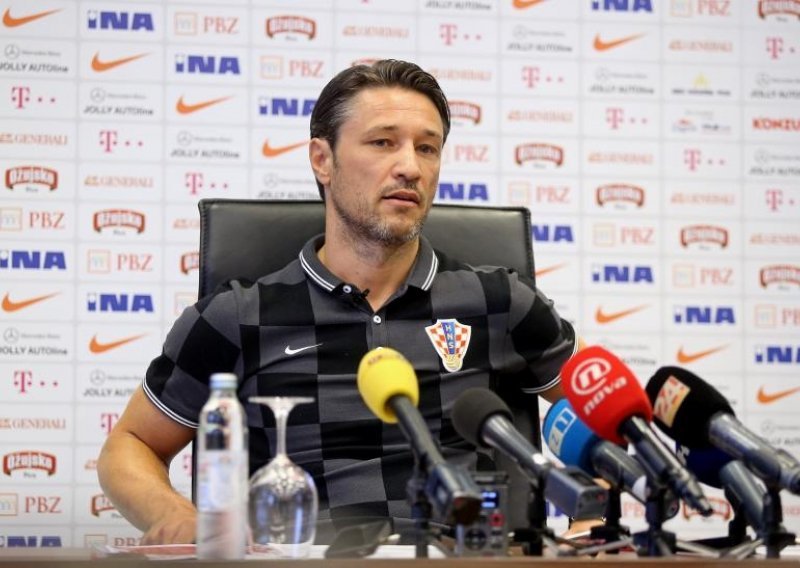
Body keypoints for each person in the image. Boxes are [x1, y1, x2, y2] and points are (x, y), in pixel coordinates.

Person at [97, 59, 577, 545]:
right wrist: (178, 516)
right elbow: (131, 444)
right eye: (383, 142)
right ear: (322, 160)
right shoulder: (238, 316)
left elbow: (600, 415)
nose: (410, 167)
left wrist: (591, 521)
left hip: (462, 554)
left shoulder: (499, 302)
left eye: (427, 148)